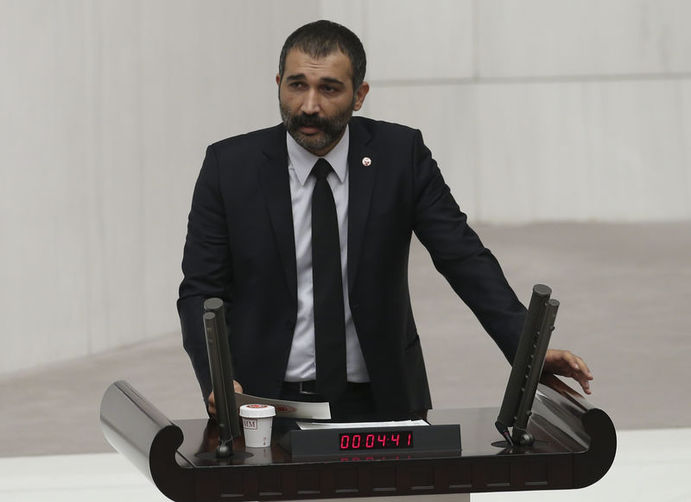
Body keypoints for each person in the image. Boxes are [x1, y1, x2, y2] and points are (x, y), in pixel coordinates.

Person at [177, 20, 592, 420]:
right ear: (278, 84)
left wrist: (525, 346)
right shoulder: (229, 167)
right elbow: (201, 288)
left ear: (359, 95)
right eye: (297, 85)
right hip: (264, 403)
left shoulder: (400, 156)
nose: (309, 106)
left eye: (329, 89)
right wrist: (217, 379)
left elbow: (462, 256)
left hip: (383, 399)